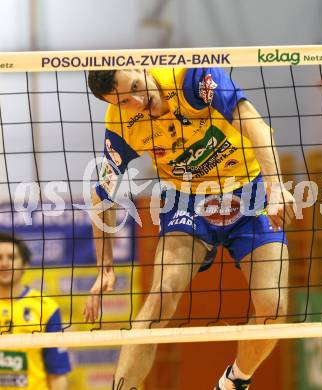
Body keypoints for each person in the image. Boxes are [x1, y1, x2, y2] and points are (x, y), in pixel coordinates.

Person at [85, 67, 296, 390]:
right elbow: (101, 194)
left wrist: (275, 186)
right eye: (125, 101)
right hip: (185, 199)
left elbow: (256, 125)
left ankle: (236, 380)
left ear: (139, 68)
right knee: (161, 294)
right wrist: (105, 267)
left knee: (274, 306)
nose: (138, 102)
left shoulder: (192, 78)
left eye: (137, 89)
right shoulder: (120, 123)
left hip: (249, 191)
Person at [0, 232, 71, 389]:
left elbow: (57, 372)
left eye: (12, 257)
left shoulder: (46, 307)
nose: (4, 263)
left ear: (25, 265)